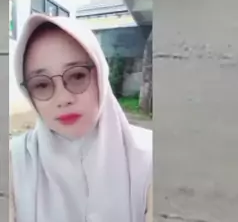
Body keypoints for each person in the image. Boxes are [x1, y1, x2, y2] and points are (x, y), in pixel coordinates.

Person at [9, 13, 152, 222]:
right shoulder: (13, 163)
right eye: (41, 84)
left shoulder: (151, 157)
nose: (63, 99)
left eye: (77, 75)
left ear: (100, 74)